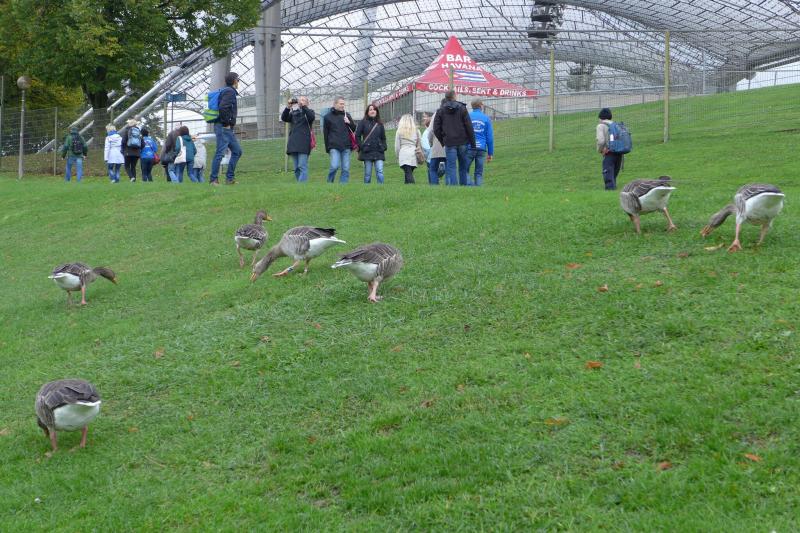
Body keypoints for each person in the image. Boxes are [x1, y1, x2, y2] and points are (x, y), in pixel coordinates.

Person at [434, 90, 476, 186]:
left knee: (451, 167)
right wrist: (473, 143)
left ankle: (454, 187)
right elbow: (469, 126)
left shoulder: (440, 111)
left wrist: (443, 140)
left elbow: (436, 129)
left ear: (446, 97)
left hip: (449, 142)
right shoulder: (462, 108)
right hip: (462, 142)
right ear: (455, 96)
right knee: (463, 166)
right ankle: (463, 186)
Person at [209, 72, 242, 185]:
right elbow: (223, 107)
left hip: (225, 127)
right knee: (220, 152)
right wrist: (226, 123)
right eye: (238, 80)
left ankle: (229, 178)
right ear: (235, 81)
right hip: (223, 127)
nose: (239, 82)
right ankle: (213, 179)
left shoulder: (227, 91)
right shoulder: (229, 92)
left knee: (237, 151)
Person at [281, 95, 315, 182]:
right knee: (296, 168)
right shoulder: (294, 113)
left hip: (304, 143)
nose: (301, 101)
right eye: (300, 100)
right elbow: (284, 118)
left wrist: (303, 106)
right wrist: (288, 107)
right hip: (293, 144)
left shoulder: (309, 112)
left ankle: (302, 186)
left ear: (307, 103)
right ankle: (300, 186)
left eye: (303, 100)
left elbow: (311, 117)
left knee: (302, 166)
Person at [323, 96, 356, 184]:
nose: (342, 105)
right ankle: (329, 183)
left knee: (345, 168)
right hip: (334, 146)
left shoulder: (347, 115)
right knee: (334, 166)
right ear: (335, 104)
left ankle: (343, 186)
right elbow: (325, 134)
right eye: (341, 104)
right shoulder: (327, 117)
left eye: (343, 104)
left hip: (346, 146)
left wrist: (349, 122)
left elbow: (353, 129)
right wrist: (327, 148)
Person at [355, 104, 387, 184]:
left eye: (374, 109)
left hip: (378, 151)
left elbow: (383, 138)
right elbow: (357, 136)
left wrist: (384, 147)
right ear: (367, 112)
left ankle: (381, 188)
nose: (373, 111)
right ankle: (367, 188)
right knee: (367, 174)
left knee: (380, 171)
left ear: (377, 111)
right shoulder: (362, 123)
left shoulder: (380, 124)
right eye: (370, 109)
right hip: (367, 151)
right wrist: (362, 146)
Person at [467, 99, 494, 186]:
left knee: (465, 170)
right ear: (481, 106)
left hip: (469, 147)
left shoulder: (467, 116)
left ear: (472, 106)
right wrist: (490, 153)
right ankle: (478, 188)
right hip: (481, 149)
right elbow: (490, 138)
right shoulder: (486, 118)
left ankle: (470, 186)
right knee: (479, 172)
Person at [596, 107, 622, 190]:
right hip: (619, 152)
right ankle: (613, 191)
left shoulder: (601, 126)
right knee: (613, 175)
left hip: (609, 152)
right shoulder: (615, 125)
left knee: (608, 176)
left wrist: (600, 150)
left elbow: (601, 141)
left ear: (600, 117)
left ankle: (610, 190)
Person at [395, 114, 420, 184]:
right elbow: (419, 143)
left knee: (408, 173)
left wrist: (397, 156)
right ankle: (408, 187)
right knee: (409, 172)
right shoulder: (417, 131)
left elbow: (397, 146)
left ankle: (412, 187)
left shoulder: (399, 131)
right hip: (413, 153)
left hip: (404, 154)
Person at [424, 109, 446, 185]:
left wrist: (431, 143)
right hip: (450, 146)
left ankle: (435, 187)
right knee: (450, 168)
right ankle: (450, 186)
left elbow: (430, 131)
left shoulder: (437, 114)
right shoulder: (455, 112)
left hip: (437, 147)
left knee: (432, 169)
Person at [119, 118, 143, 182]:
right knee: (133, 166)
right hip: (137, 152)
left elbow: (123, 141)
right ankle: (134, 181)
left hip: (128, 151)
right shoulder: (139, 131)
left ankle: (131, 177)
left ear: (129, 124)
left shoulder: (127, 130)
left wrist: (122, 149)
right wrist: (139, 149)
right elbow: (143, 143)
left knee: (126, 166)